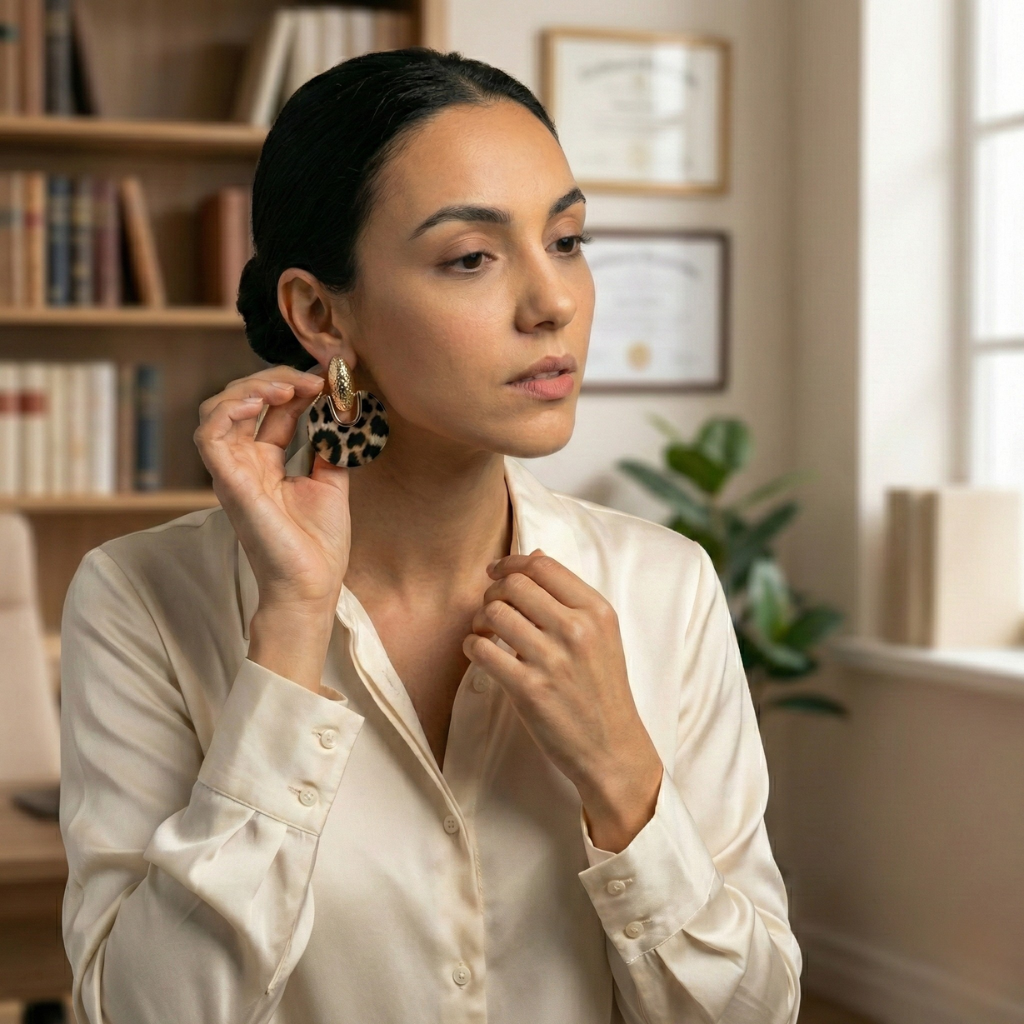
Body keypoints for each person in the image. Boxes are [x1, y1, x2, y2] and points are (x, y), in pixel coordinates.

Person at [59, 48, 801, 1024]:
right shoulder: (139, 595)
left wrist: (623, 774)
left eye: (567, 240)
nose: (554, 303)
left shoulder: (663, 585)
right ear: (320, 313)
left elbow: (754, 1012)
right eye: (471, 258)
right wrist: (286, 639)